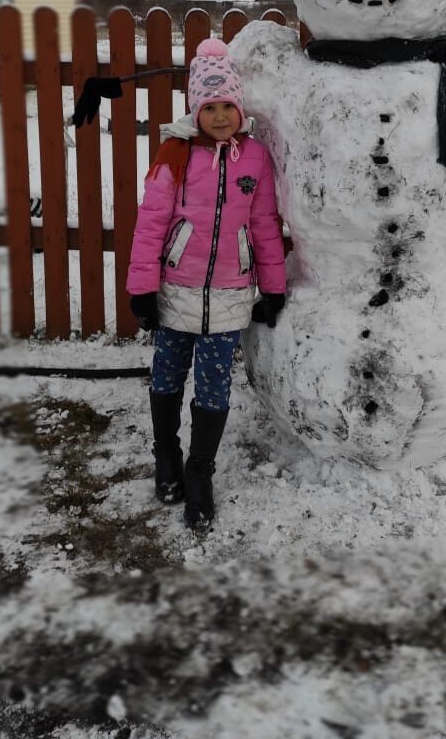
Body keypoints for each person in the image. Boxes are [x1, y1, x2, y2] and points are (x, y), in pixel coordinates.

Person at [126, 38, 287, 530]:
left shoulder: (255, 158)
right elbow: (151, 223)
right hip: (176, 288)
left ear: (240, 109)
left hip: (230, 295)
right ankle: (166, 457)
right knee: (168, 378)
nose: (220, 116)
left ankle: (200, 474)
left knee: (213, 389)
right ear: (195, 109)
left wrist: (274, 287)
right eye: (210, 107)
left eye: (228, 107)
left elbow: (263, 224)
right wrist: (142, 288)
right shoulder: (174, 153)